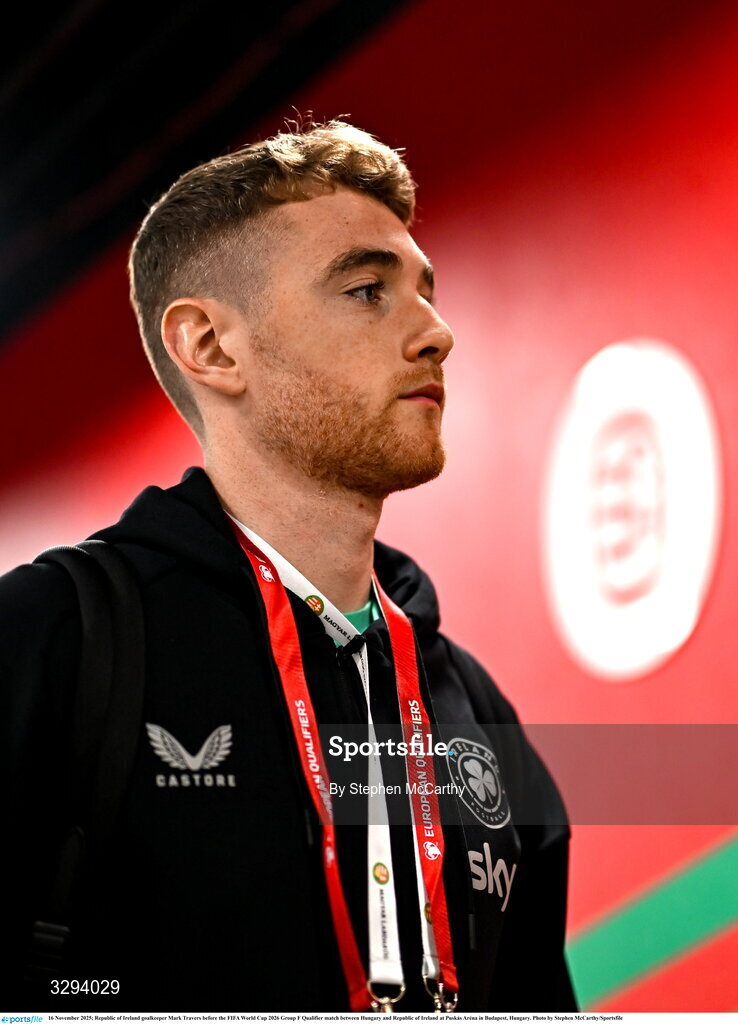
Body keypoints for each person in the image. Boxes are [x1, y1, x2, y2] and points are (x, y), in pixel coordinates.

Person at [5, 120, 577, 1012]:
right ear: (212, 349)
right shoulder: (56, 640)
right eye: (365, 290)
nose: (437, 333)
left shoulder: (469, 703)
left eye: (427, 292)